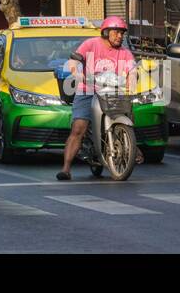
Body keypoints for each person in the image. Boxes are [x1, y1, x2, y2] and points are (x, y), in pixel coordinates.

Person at [57, 16, 136, 181]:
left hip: (113, 90)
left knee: (128, 115)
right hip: (88, 89)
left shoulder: (125, 52)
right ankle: (66, 168)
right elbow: (74, 60)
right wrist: (76, 72)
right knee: (79, 127)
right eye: (116, 32)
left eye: (122, 33)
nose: (120, 36)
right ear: (106, 32)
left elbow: (132, 70)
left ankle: (131, 145)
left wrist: (132, 83)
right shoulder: (91, 44)